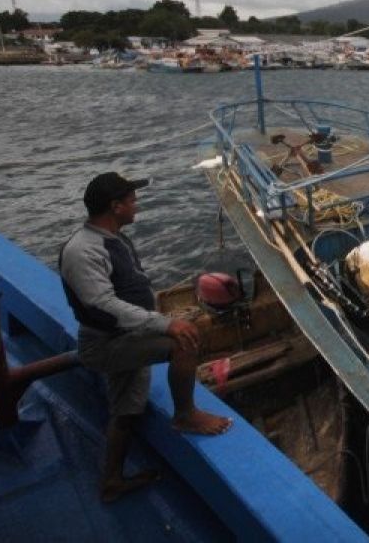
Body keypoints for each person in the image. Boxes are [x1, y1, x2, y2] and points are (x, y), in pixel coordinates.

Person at [59, 172, 231, 503]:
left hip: (127, 334)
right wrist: (163, 324)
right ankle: (185, 416)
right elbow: (102, 304)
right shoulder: (83, 251)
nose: (136, 204)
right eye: (131, 200)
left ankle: (111, 482)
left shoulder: (113, 237)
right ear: (116, 206)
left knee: (126, 411)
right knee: (183, 343)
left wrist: (154, 320)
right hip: (108, 343)